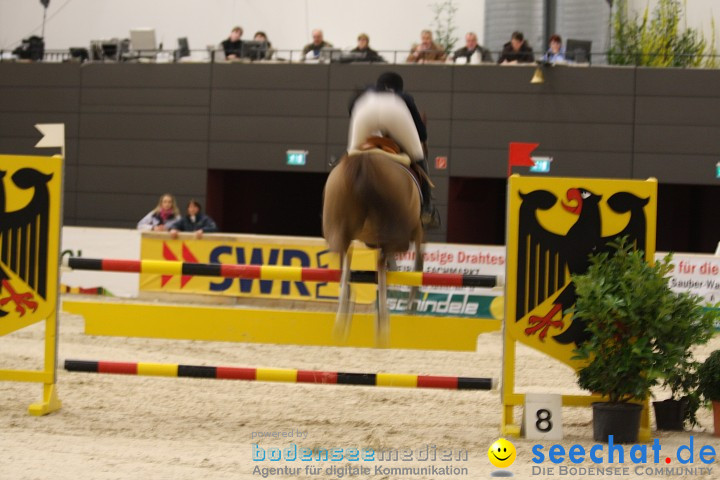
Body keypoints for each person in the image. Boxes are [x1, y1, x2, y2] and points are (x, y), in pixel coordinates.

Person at [347, 72, 440, 228]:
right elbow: (421, 133)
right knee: (418, 156)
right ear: (398, 87)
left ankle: (338, 196)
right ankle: (426, 209)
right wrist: (421, 137)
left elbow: (351, 108)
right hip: (395, 112)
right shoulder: (404, 97)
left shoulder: (364, 91)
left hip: (364, 110)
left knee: (352, 155)